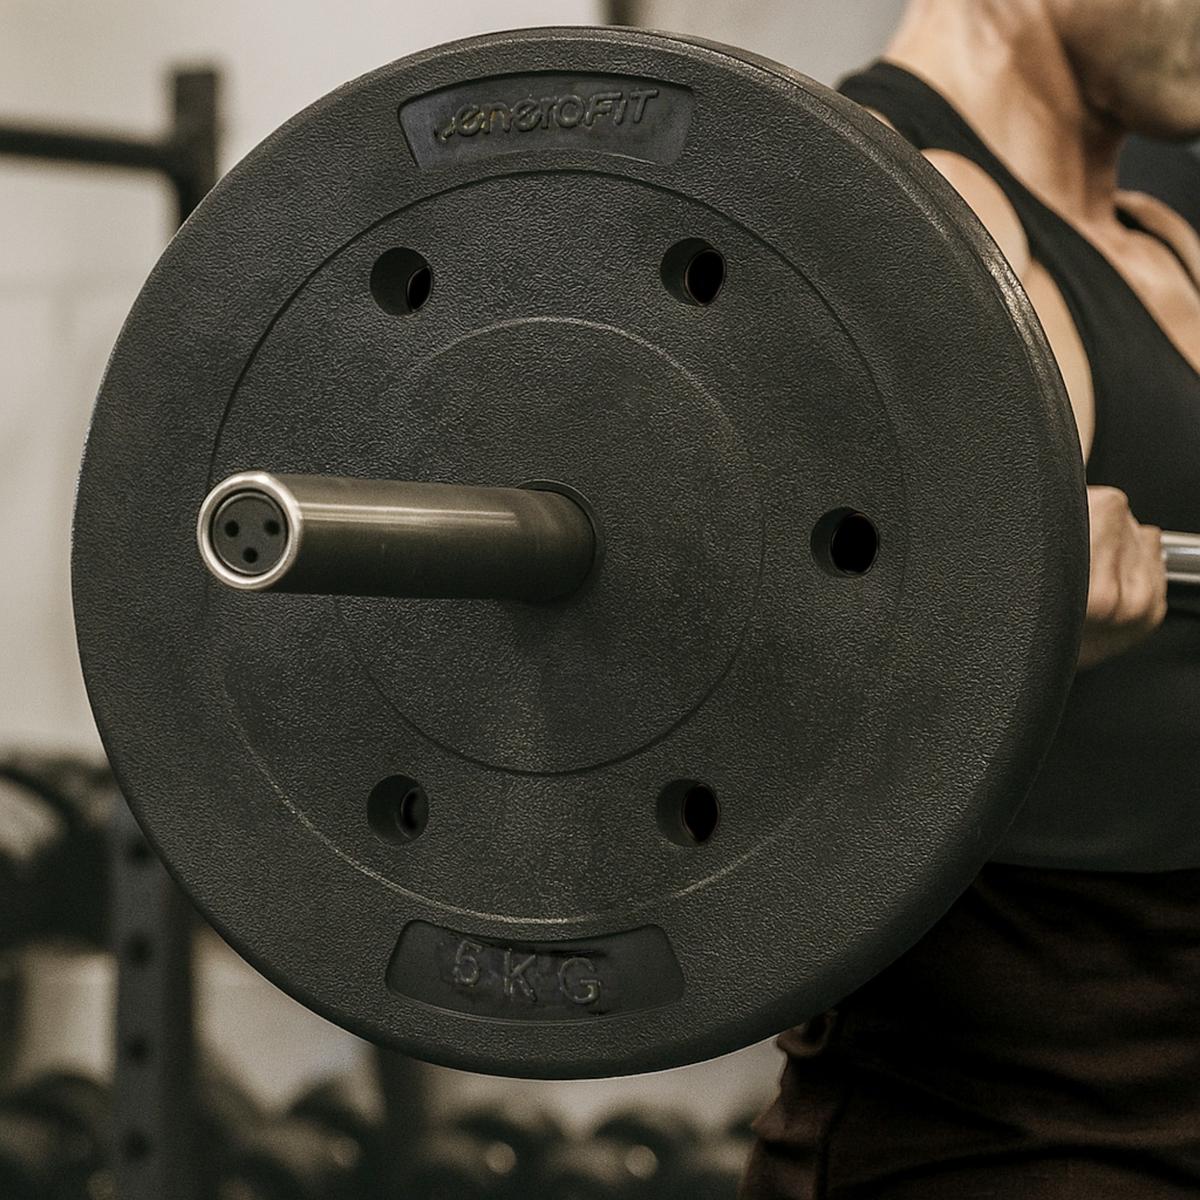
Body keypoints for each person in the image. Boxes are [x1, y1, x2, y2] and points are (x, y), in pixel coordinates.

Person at [740, 1, 1200, 1196]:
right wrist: (1004, 633)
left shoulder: (1163, 241)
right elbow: (763, 678)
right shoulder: (904, 212)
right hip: (1008, 1124)